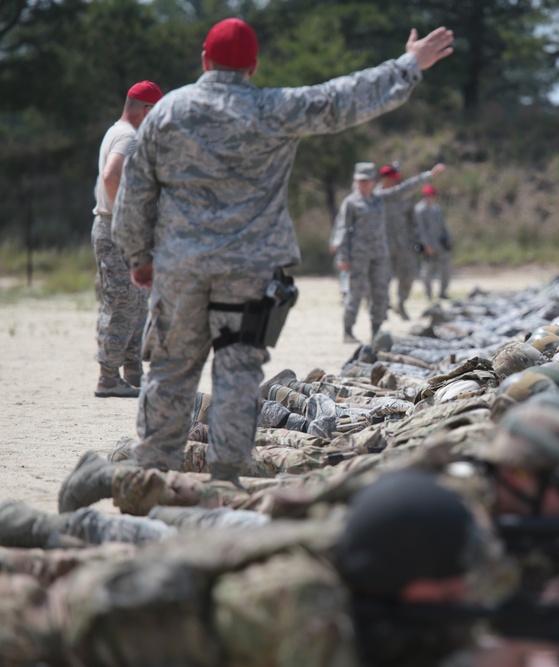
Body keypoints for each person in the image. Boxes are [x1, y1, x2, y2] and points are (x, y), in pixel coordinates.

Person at [112, 17, 455, 482]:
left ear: (204, 59)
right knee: (237, 372)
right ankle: (226, 476)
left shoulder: (168, 112)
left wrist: (138, 257)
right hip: (249, 273)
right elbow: (342, 98)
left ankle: (151, 475)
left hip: (179, 269)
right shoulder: (272, 109)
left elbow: (134, 192)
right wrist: (408, 66)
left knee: (171, 370)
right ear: (253, 66)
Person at [1, 470, 524, 667]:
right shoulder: (298, 603)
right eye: (452, 574)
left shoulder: (351, 577)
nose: (464, 587)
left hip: (119, 591)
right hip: (38, 636)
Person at [91, 80, 163, 398]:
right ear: (145, 110)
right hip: (116, 229)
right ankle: (108, 377)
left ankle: (133, 372)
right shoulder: (129, 136)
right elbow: (111, 175)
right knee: (121, 304)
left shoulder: (115, 130)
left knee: (136, 303)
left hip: (118, 229)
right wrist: (126, 215)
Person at [330, 161, 445, 343]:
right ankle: (348, 330)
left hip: (379, 254)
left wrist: (428, 176)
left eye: (367, 181)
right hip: (359, 255)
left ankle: (376, 330)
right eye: (360, 181)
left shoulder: (380, 199)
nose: (364, 184)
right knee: (356, 292)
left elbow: (404, 189)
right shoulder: (351, 203)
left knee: (380, 292)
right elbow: (343, 230)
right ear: (356, 181)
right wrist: (342, 256)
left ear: (373, 181)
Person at [377, 163, 422, 321]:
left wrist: (417, 239)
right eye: (391, 179)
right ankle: (382, 307)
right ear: (384, 179)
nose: (394, 182)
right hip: (381, 244)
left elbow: (413, 219)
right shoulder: (374, 195)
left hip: (404, 242)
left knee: (409, 273)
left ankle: (401, 303)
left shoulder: (405, 195)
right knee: (382, 277)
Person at [415, 183, 452, 299]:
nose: (429, 197)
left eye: (431, 195)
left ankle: (443, 292)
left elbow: (443, 226)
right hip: (428, 245)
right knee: (427, 271)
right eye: (426, 195)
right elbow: (420, 229)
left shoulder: (437, 209)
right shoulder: (419, 210)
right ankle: (428, 294)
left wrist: (449, 240)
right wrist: (425, 245)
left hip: (440, 244)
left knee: (445, 269)